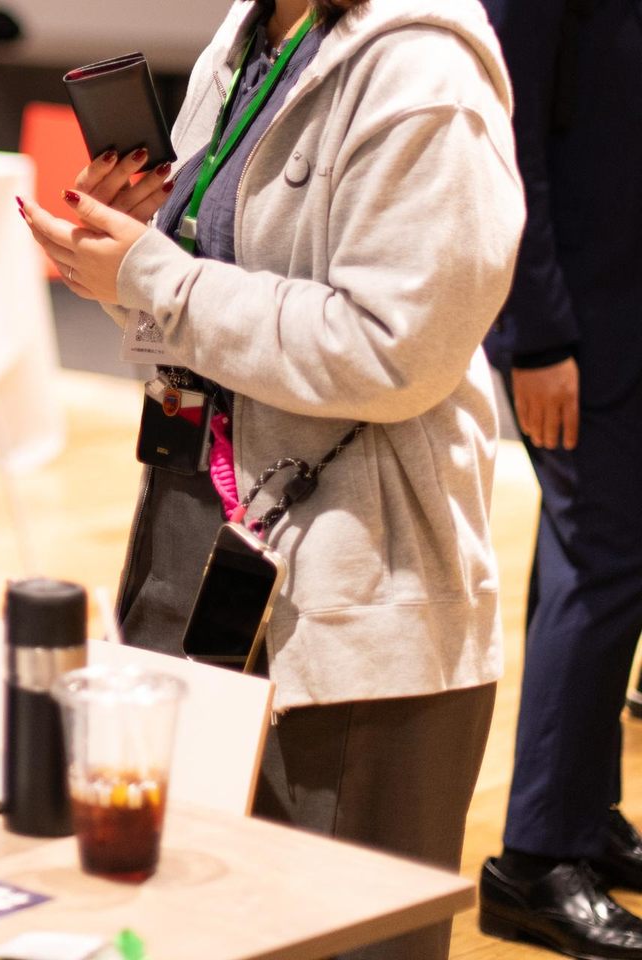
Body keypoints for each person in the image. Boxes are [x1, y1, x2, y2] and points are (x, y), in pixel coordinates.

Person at [21, 0, 522, 956]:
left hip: (351, 590)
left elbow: (399, 350)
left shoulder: (425, 68)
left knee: (333, 930)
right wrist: (129, 248)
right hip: (193, 543)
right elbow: (205, 299)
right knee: (183, 919)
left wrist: (158, 279)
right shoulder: (251, 34)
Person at [475, 0, 642, 956]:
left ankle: (581, 812)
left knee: (596, 557)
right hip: (577, 324)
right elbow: (507, 143)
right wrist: (536, 336)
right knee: (604, 560)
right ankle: (537, 859)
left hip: (620, 307)